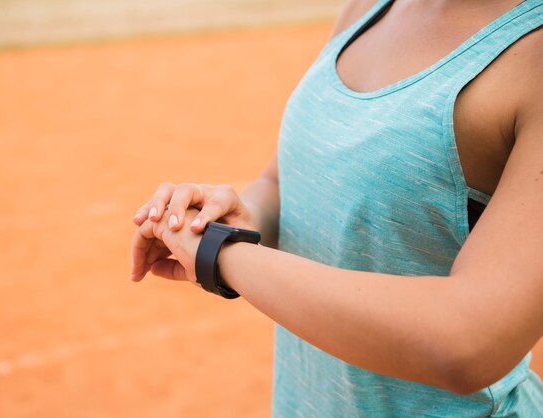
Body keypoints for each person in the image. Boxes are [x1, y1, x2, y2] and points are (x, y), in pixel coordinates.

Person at [130, 0, 543, 415]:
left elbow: (470, 341)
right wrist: (227, 220)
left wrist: (221, 255)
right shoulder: (371, 7)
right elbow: (279, 182)